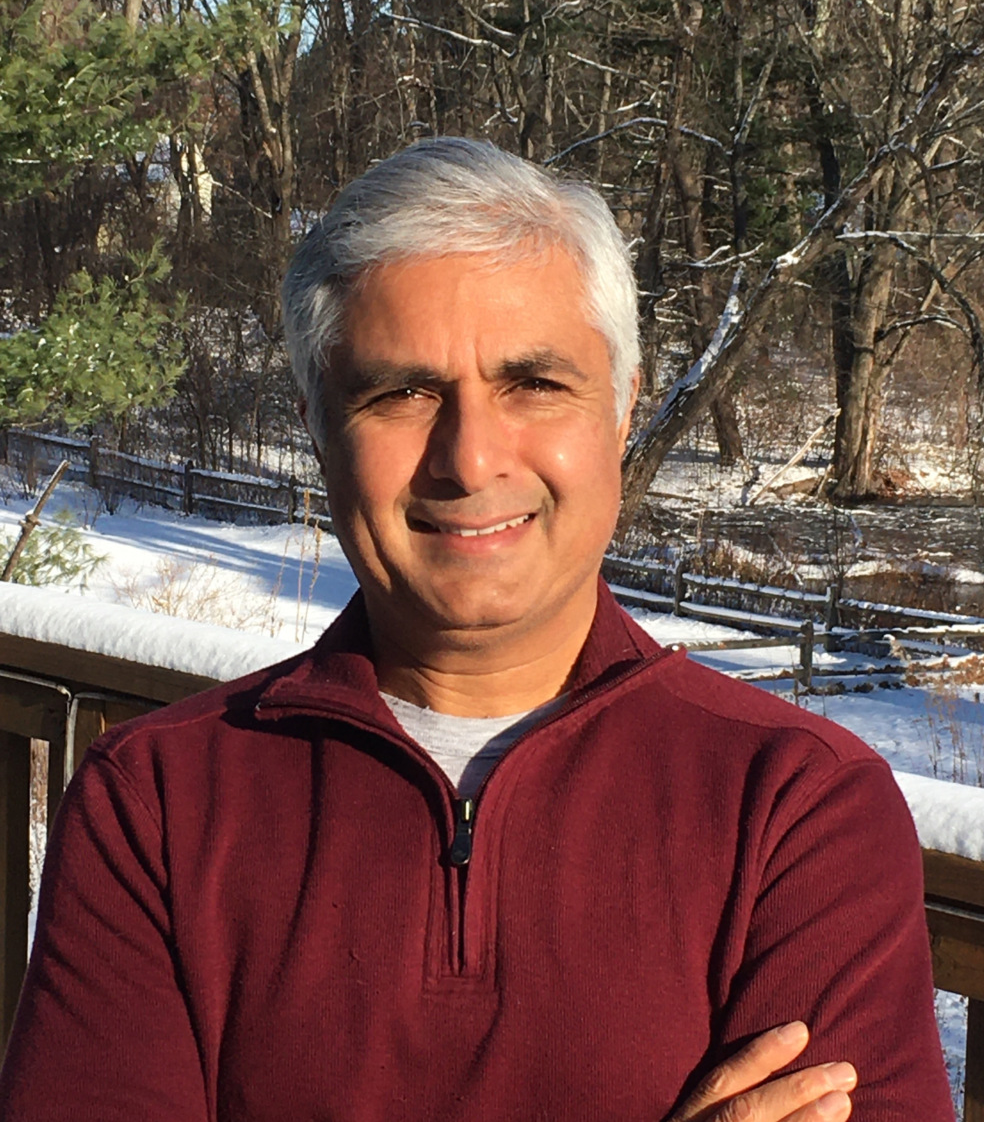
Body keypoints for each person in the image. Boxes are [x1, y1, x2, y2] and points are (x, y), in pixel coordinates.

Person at [0, 139, 952, 1121]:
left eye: (534, 383)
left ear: (622, 407)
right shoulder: (156, 803)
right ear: (318, 428)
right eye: (401, 393)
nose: (469, 456)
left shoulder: (798, 809)